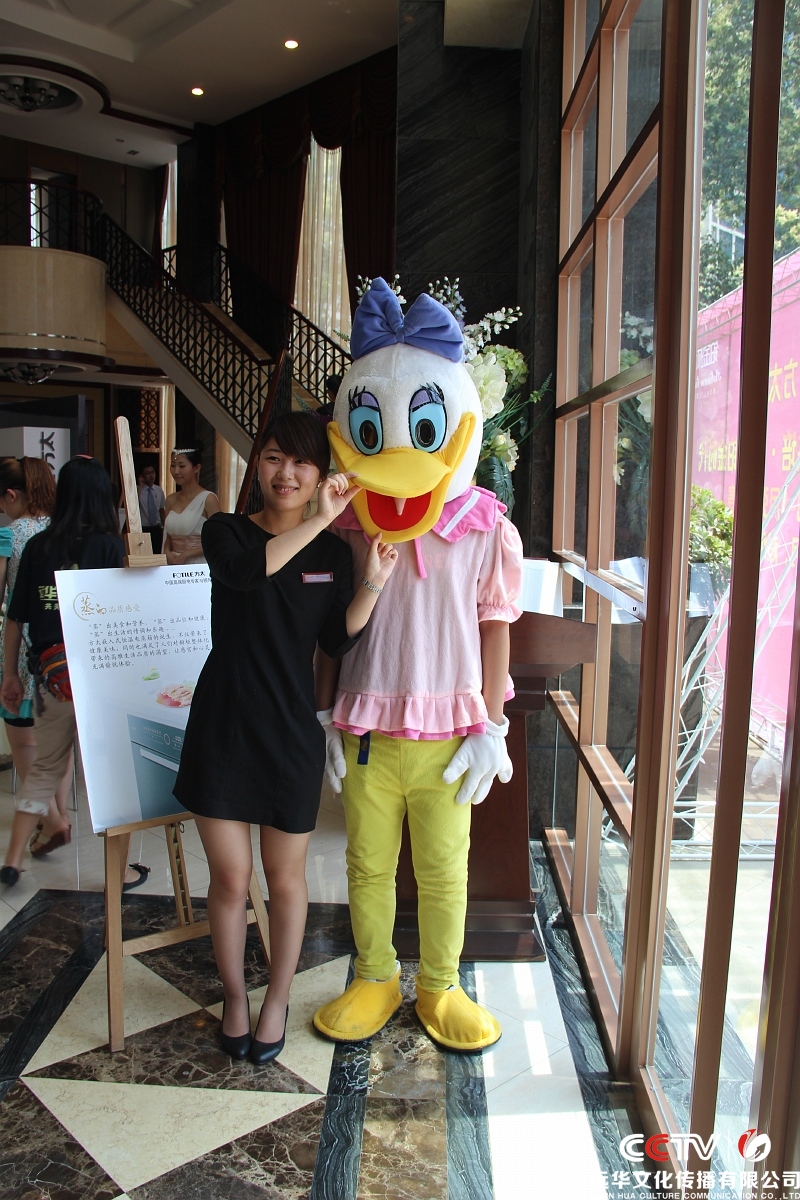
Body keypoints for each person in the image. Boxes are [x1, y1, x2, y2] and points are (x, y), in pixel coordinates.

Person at [173, 411, 397, 1065]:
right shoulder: (226, 531)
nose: (287, 473)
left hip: (290, 733)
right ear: (258, 464)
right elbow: (248, 574)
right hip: (222, 726)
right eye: (274, 457)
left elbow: (334, 641)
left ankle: (276, 1000)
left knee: (286, 878)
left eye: (302, 462)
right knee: (231, 878)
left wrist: (373, 582)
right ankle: (234, 997)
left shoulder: (332, 555)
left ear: (321, 474)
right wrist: (320, 520)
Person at [0, 458, 133, 888]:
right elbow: (120, 616)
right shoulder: (109, 547)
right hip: (99, 680)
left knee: (44, 768)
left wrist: (10, 675)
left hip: (51, 680)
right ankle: (118, 875)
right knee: (111, 777)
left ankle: (13, 860)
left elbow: (16, 618)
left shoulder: (38, 546)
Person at [0, 456, 74, 857]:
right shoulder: (64, 531)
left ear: (12, 495)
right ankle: (54, 821)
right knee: (57, 738)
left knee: (23, 738)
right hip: (61, 648)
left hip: (21, 644)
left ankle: (51, 819)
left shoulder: (10, 534)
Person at [163, 447, 220, 565]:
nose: (176, 471)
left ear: (196, 468)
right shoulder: (170, 500)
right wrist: (167, 552)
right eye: (173, 465)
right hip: (173, 562)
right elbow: (168, 537)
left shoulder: (208, 499)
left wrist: (187, 554)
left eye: (182, 466)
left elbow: (218, 539)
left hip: (198, 563)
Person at [138, 463, 166, 554]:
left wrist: (165, 528)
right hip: (144, 529)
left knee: (158, 553)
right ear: (142, 476)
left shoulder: (158, 490)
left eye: (152, 472)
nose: (151, 475)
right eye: (147, 473)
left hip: (157, 528)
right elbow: (134, 504)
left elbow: (161, 510)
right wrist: (140, 486)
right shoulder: (138, 490)